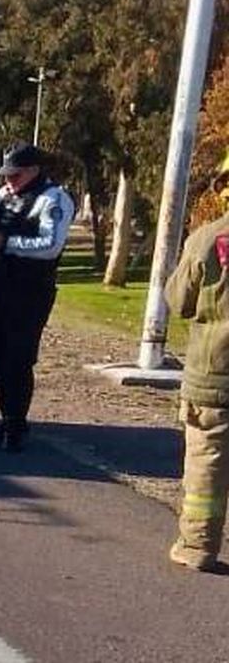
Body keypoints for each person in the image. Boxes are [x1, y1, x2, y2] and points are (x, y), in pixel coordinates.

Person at [0, 142, 75, 452]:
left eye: (15, 175)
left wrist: (5, 243)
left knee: (18, 357)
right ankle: (7, 416)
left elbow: (51, 245)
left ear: (34, 171)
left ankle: (16, 423)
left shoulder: (54, 199)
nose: (8, 181)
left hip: (31, 291)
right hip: (0, 285)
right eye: (6, 175)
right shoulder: (4, 196)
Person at [164, 152, 229, 573]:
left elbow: (178, 301)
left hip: (215, 374)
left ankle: (197, 546)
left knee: (206, 462)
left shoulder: (208, 239)